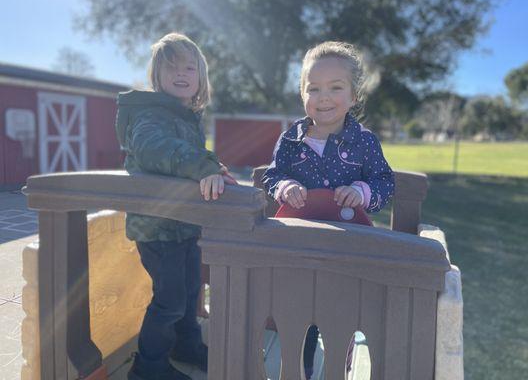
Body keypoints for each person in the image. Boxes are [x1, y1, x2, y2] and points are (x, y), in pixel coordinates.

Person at [261, 41, 395, 379]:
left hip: (349, 247)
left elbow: (384, 182)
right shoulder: (290, 140)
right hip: (300, 247)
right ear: (302, 93)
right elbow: (272, 174)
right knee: (300, 312)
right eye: (314, 88)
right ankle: (300, 369)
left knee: (341, 314)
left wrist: (362, 192)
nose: (323, 97)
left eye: (336, 88)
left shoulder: (364, 142)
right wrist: (283, 187)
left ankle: (340, 368)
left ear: (353, 96)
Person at [116, 32, 236, 380]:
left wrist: (212, 169)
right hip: (157, 226)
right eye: (171, 68)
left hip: (184, 224)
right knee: (169, 300)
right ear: (158, 76)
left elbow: (186, 161)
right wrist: (202, 165)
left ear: (200, 76)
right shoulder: (149, 116)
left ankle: (186, 345)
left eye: (189, 67)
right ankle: (148, 368)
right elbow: (157, 150)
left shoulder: (186, 117)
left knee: (190, 291)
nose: (181, 74)